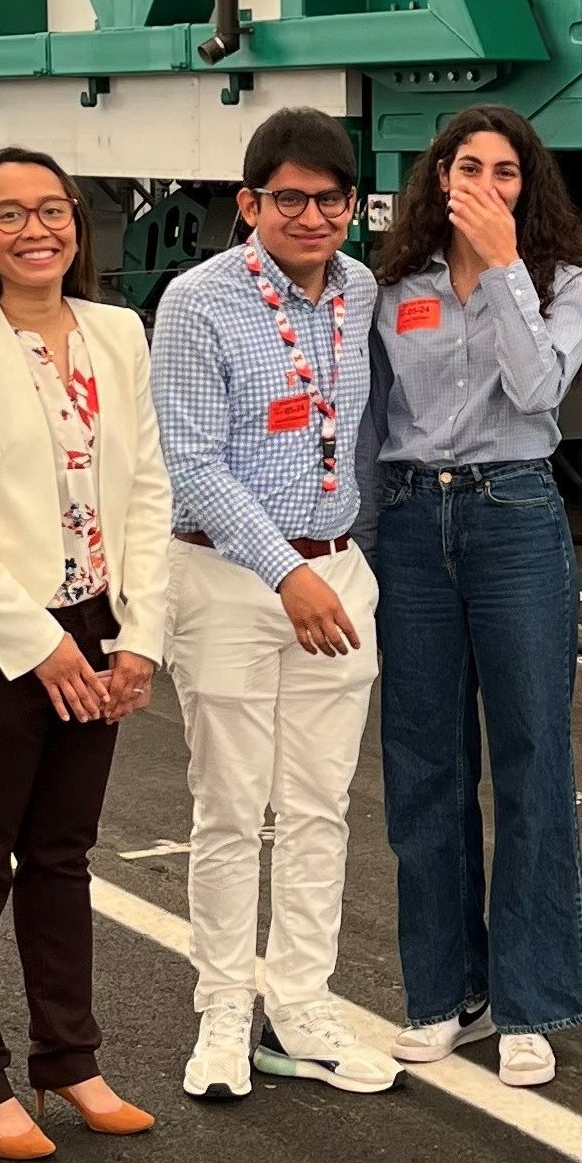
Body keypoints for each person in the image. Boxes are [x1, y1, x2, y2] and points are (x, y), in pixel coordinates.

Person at [0, 147, 173, 1158]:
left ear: (78, 225)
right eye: (9, 215)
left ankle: (69, 1060)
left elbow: (147, 487)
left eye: (52, 210)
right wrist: (38, 642)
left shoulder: (116, 331)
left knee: (61, 856)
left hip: (98, 629)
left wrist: (137, 635)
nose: (35, 229)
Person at [152, 108, 401, 1100]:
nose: (308, 214)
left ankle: (296, 1004)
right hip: (227, 580)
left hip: (335, 573)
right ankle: (220, 1011)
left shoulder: (361, 288)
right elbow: (195, 464)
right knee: (228, 807)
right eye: (286, 197)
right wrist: (283, 573)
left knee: (316, 807)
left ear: (349, 205)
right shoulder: (196, 302)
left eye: (327, 198)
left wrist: (332, 566)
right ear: (248, 202)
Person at [357, 106, 582, 1088]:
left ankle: (529, 1000)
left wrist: (503, 268)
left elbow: (539, 392)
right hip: (414, 523)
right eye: (469, 167)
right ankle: (441, 990)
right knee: (424, 759)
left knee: (532, 752)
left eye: (507, 170)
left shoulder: (564, 284)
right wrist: (365, 548)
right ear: (438, 176)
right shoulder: (393, 289)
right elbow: (374, 422)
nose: (486, 184)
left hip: (512, 517)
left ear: (524, 185)